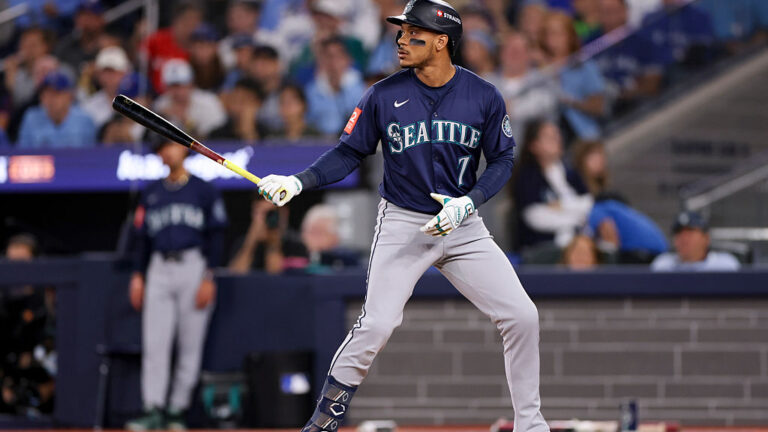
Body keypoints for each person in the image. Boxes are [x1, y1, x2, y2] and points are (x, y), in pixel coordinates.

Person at [255, 2, 549, 431]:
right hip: (404, 222)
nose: (402, 40)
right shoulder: (383, 94)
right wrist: (299, 182)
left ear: (442, 41)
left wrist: (471, 200)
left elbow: (504, 159)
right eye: (401, 32)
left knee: (522, 316)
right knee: (377, 323)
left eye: (415, 34)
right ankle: (323, 422)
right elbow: (349, 153)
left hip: (463, 223)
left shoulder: (483, 95)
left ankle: (531, 424)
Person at [126, 132, 227, 430]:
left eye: (170, 145)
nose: (166, 152)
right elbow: (141, 239)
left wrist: (210, 275)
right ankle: (153, 408)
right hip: (158, 266)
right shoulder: (151, 192)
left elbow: (217, 236)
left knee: (190, 343)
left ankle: (176, 411)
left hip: (193, 265)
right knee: (155, 344)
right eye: (160, 148)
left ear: (183, 149)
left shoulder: (204, 190)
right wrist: (137, 275)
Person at [511, 120, 593, 254]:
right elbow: (533, 216)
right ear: (534, 145)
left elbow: (588, 203)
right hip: (542, 246)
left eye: (558, 135)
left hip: (580, 239)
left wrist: (561, 206)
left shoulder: (570, 172)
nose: (557, 140)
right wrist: (576, 218)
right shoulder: (527, 177)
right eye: (550, 137)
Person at [539, 11, 606, 141]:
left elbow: (598, 106)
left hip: (584, 135)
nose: (553, 39)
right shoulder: (539, 70)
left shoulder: (584, 65)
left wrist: (569, 100)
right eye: (549, 34)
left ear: (570, 36)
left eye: (559, 33)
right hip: (550, 139)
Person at [488, 31, 558, 141]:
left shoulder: (544, 81)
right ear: (501, 53)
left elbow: (543, 105)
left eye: (521, 50)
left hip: (531, 154)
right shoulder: (486, 81)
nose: (515, 53)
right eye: (510, 48)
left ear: (530, 54)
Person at [17, 70, 96, 148]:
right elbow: (23, 154)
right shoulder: (31, 117)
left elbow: (91, 156)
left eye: (56, 93)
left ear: (69, 96)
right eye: (46, 94)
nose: (50, 99)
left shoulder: (84, 120)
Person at [304, 36, 366, 136]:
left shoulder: (363, 88)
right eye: (329, 56)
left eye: (338, 56)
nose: (333, 62)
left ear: (348, 59)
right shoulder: (311, 91)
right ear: (321, 61)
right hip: (319, 144)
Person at [228, 196, 306, 275]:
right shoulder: (242, 243)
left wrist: (273, 242)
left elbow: (276, 276)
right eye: (261, 213)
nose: (266, 219)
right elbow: (235, 277)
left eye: (270, 213)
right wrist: (251, 241)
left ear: (284, 213)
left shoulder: (296, 244)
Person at [153, 59, 227, 139]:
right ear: (166, 87)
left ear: (191, 84)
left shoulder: (208, 102)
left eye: (183, 85)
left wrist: (186, 121)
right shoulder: (160, 105)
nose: (179, 92)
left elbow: (218, 137)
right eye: (174, 86)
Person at [650, 211, 740, 272]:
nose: (684, 238)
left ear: (706, 238)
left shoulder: (724, 265)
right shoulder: (662, 265)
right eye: (679, 233)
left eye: (690, 232)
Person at [142, 2, 202, 93]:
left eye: (194, 23)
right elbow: (139, 64)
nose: (190, 28)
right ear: (176, 21)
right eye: (186, 22)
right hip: (154, 96)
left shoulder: (199, 49)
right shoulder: (156, 40)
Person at [81, 46, 131, 129]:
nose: (109, 77)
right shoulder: (88, 107)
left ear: (125, 73)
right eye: (105, 72)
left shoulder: (136, 103)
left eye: (113, 72)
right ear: (98, 75)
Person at [210, 77, 263, 142]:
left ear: (258, 104)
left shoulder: (268, 135)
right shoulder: (217, 136)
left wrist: (248, 130)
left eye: (243, 101)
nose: (237, 107)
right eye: (234, 100)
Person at [188, 24, 226, 91]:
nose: (204, 52)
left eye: (208, 47)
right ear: (192, 48)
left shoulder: (225, 70)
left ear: (216, 48)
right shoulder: (185, 69)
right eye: (200, 47)